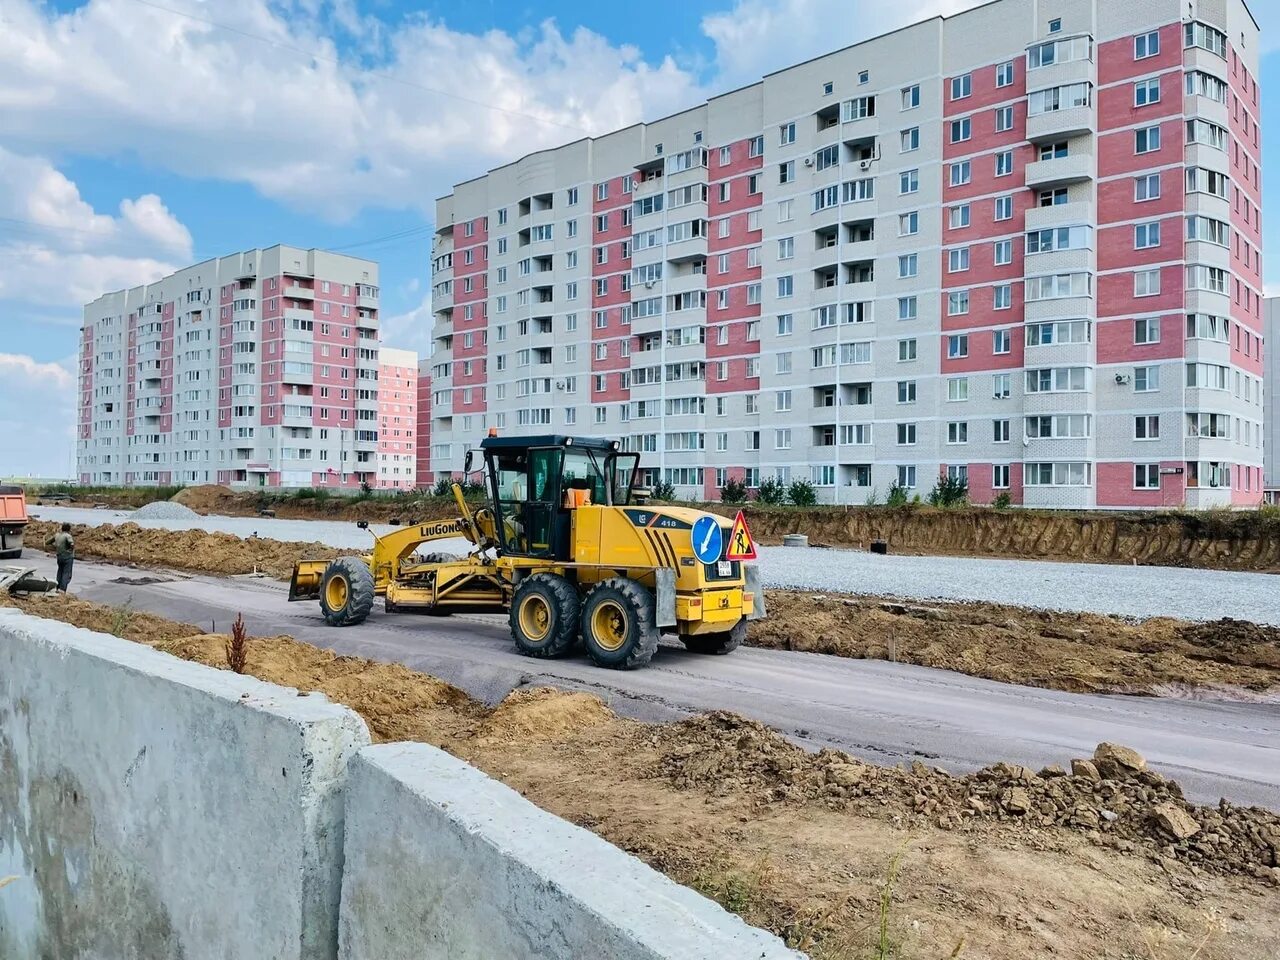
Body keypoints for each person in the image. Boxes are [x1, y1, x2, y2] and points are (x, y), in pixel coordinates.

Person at [46, 522, 75, 592]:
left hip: (59, 557)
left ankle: (57, 587)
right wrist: (70, 550)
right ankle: (62, 589)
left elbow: (47, 542)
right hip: (67, 557)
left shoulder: (57, 535)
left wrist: (55, 546)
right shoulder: (68, 536)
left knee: (60, 572)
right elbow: (72, 544)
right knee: (66, 574)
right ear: (69, 529)